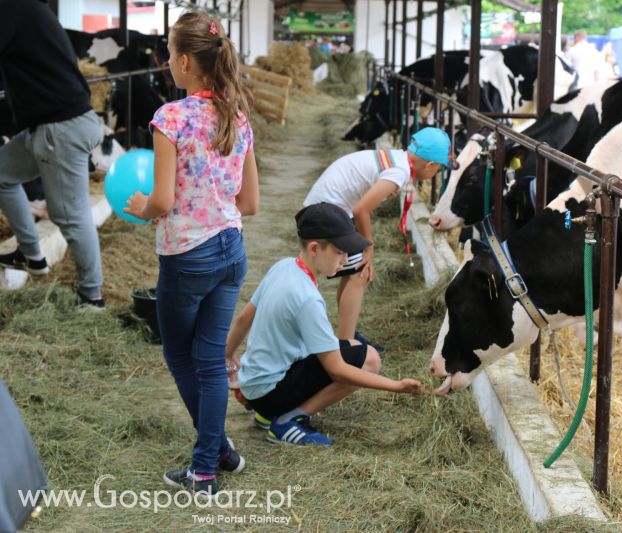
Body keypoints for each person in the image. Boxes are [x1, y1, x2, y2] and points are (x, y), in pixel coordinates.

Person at [124, 11, 259, 498]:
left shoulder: (171, 118)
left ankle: (205, 468)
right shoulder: (237, 115)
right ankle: (219, 452)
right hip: (231, 250)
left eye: (167, 50)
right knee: (210, 361)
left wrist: (142, 206)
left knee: (183, 357)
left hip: (187, 257)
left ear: (182, 60)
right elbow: (251, 203)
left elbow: (160, 201)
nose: (164, 59)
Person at [226, 202, 424, 446]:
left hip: (254, 386)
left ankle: (267, 414)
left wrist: (229, 358)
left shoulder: (283, 267)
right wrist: (395, 386)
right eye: (340, 252)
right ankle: (288, 421)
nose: (345, 260)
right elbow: (336, 370)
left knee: (351, 344)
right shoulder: (307, 297)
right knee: (370, 360)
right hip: (270, 393)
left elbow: (244, 318)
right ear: (315, 248)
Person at [303, 127, 456, 350]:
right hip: (325, 214)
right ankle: (347, 346)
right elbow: (361, 210)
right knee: (361, 273)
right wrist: (369, 248)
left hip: (324, 209)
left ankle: (348, 334)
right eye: (440, 169)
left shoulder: (397, 159)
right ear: (430, 165)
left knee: (353, 270)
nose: (437, 173)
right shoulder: (399, 171)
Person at [0, 0, 104, 307]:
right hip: (47, 126)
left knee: (69, 216)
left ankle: (92, 296)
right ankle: (32, 255)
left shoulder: (11, 9)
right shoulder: (29, 8)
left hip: (61, 127)